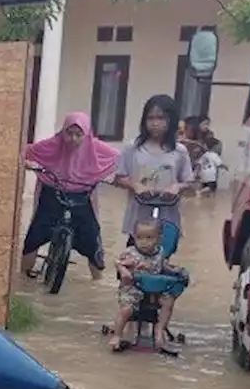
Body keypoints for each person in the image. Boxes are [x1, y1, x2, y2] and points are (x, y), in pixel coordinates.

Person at [20, 112, 119, 281]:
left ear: (86, 135)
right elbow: (25, 152)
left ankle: (96, 283)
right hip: (53, 192)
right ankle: (22, 277)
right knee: (35, 234)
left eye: (79, 135)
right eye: (69, 133)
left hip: (83, 195)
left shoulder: (96, 148)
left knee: (92, 237)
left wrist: (110, 176)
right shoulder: (51, 145)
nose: (73, 139)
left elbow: (120, 160)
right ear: (62, 132)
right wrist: (28, 164)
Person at [113, 94, 196, 251]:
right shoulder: (133, 148)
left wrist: (177, 187)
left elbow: (190, 184)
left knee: (161, 264)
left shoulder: (180, 152)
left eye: (161, 118)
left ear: (171, 120)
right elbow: (118, 179)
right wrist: (135, 185)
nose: (155, 123)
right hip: (138, 220)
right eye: (150, 118)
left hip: (168, 219)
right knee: (132, 263)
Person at [109, 219, 182, 355]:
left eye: (149, 238)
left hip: (156, 291)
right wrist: (123, 270)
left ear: (159, 239)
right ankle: (117, 335)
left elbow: (163, 266)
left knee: (168, 301)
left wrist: (175, 271)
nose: (144, 242)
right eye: (139, 238)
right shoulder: (131, 253)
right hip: (132, 289)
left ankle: (159, 332)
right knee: (126, 309)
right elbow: (118, 262)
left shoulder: (160, 252)